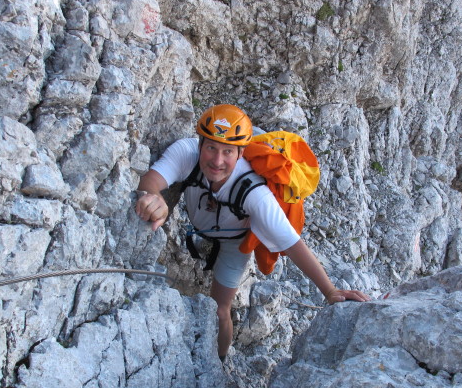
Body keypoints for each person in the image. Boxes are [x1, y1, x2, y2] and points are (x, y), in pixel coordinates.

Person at [134, 104, 370, 361]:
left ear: (241, 153)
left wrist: (330, 291)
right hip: (207, 226)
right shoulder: (186, 153)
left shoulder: (255, 193)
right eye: (211, 147)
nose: (217, 160)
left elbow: (292, 244)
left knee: (220, 309)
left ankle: (219, 360)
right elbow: (152, 180)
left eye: (227, 151)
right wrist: (153, 197)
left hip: (236, 242)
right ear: (200, 143)